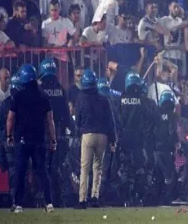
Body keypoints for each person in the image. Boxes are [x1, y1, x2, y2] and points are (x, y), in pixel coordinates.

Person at [6, 64, 56, 213]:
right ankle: (49, 203)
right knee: (42, 172)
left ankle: (18, 205)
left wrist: (9, 136)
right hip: (39, 139)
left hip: (22, 140)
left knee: (20, 173)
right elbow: (50, 120)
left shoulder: (18, 96)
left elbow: (10, 118)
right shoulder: (43, 96)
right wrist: (53, 140)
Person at [74, 69, 117, 209]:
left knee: (85, 168)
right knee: (98, 168)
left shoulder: (81, 97)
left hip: (87, 135)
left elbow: (78, 118)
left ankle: (82, 200)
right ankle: (95, 197)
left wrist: (78, 132)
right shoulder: (104, 98)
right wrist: (113, 140)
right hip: (102, 136)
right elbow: (111, 121)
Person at [38, 58, 74, 207]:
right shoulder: (61, 90)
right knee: (56, 167)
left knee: (41, 168)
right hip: (58, 135)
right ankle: (57, 199)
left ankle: (43, 200)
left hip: (41, 135)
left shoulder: (38, 90)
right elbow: (66, 115)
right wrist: (75, 131)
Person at [119, 71, 157, 205]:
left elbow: (117, 120)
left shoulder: (121, 98)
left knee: (125, 169)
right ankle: (139, 197)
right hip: (139, 140)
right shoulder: (144, 101)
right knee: (140, 169)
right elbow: (152, 118)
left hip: (124, 140)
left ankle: (126, 199)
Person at [0, 74, 20, 210]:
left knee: (12, 171)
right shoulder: (26, 104)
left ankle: (15, 200)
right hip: (22, 141)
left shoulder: (6, 103)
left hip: (9, 141)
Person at [153, 91, 178, 205]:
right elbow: (173, 132)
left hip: (156, 149)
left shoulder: (156, 114)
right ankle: (167, 199)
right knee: (171, 175)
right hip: (167, 150)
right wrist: (176, 144)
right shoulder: (172, 116)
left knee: (158, 175)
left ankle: (156, 199)